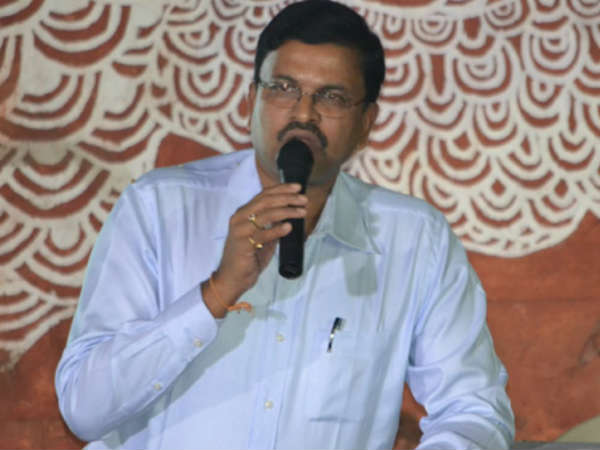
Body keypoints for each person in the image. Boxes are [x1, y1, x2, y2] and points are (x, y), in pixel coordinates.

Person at [55, 1, 515, 448]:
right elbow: (84, 408)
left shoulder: (414, 239)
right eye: (283, 88)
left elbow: (473, 410)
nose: (303, 113)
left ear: (366, 124)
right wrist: (216, 293)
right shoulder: (159, 208)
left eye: (331, 97)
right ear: (252, 100)